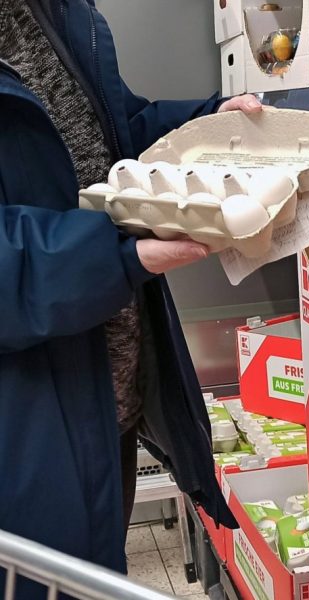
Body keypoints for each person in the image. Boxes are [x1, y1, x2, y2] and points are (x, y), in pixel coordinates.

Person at [0, 0, 260, 594]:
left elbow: (109, 141)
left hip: (100, 407)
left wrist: (206, 127)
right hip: (28, 435)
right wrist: (118, 252)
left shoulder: (49, 12)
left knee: (92, 574)